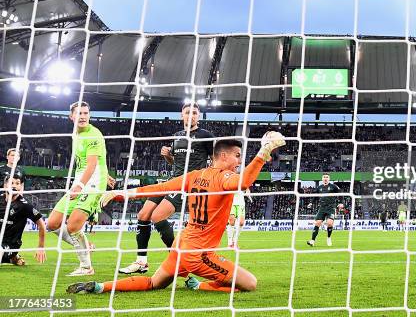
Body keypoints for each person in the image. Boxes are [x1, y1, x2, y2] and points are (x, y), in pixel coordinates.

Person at [66, 132, 285, 295]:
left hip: (182, 245)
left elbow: (158, 188)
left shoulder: (193, 175)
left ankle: (99, 287)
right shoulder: (223, 177)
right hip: (199, 255)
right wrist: (263, 152)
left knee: (155, 282)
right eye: (237, 156)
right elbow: (245, 181)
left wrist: (121, 193)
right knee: (249, 283)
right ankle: (200, 285)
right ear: (224, 155)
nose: (239, 162)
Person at [120, 102, 214, 274]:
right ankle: (141, 262)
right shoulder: (177, 135)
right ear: (182, 115)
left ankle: (179, 260)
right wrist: (168, 156)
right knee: (143, 215)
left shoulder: (205, 135)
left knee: (157, 216)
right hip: (172, 180)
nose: (190, 116)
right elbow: (175, 162)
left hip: (188, 184)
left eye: (194, 113)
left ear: (198, 116)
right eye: (187, 112)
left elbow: (215, 160)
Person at [47, 101, 111, 276]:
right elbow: (90, 161)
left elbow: (91, 164)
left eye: (85, 113)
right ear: (71, 117)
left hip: (92, 183)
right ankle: (85, 246)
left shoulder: (93, 134)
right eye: (79, 113)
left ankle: (86, 267)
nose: (83, 116)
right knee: (52, 223)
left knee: (73, 226)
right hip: (81, 181)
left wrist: (80, 185)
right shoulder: (75, 134)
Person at [0, 175, 46, 266]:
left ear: (20, 187)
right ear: (5, 186)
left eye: (17, 183)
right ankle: (13, 259)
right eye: (11, 183)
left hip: (10, 245)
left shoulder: (25, 206)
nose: (14, 186)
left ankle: (12, 256)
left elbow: (42, 225)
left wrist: (41, 247)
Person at [307, 174, 340, 247]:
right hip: (322, 208)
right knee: (318, 223)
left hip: (331, 207)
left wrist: (340, 203)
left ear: (329, 179)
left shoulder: (333, 187)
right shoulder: (319, 187)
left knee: (330, 223)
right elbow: (315, 197)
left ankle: (328, 238)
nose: (325, 178)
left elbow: (340, 194)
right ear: (322, 179)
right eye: (324, 177)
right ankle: (312, 241)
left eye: (327, 177)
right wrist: (311, 203)